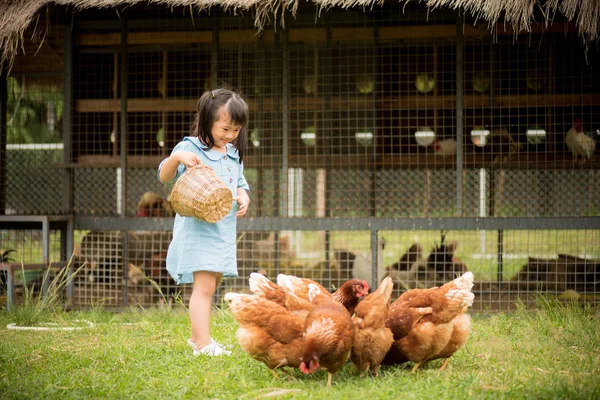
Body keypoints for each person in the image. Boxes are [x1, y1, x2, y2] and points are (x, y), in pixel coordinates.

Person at [158, 88, 250, 356]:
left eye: (236, 130)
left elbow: (241, 184)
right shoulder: (190, 147)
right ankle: (202, 344)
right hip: (198, 229)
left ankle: (197, 338)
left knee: (213, 281)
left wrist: (243, 197)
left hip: (222, 229)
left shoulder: (231, 153)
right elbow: (164, 177)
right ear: (208, 119)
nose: (230, 135)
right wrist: (176, 158)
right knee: (205, 287)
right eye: (225, 128)